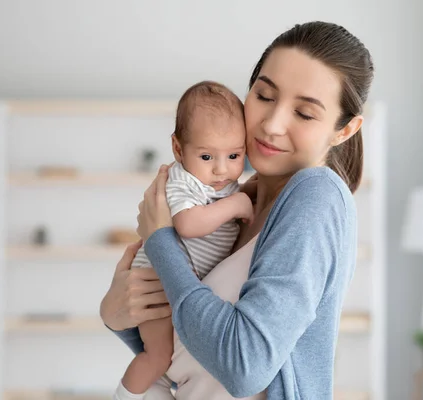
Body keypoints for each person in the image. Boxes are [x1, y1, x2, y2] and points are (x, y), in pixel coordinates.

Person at [100, 21, 374, 399]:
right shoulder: (233, 201)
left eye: (305, 113)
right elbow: (191, 356)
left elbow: (243, 367)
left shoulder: (317, 195)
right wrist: (118, 316)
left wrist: (161, 240)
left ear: (344, 130)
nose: (272, 124)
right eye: (264, 95)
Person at [115, 81, 254, 399]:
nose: (222, 169)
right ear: (178, 149)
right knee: (157, 358)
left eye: (234, 155)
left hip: (176, 292)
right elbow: (187, 223)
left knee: (170, 366)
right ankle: (126, 395)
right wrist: (237, 205)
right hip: (155, 292)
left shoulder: (224, 184)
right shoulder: (182, 180)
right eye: (206, 156)